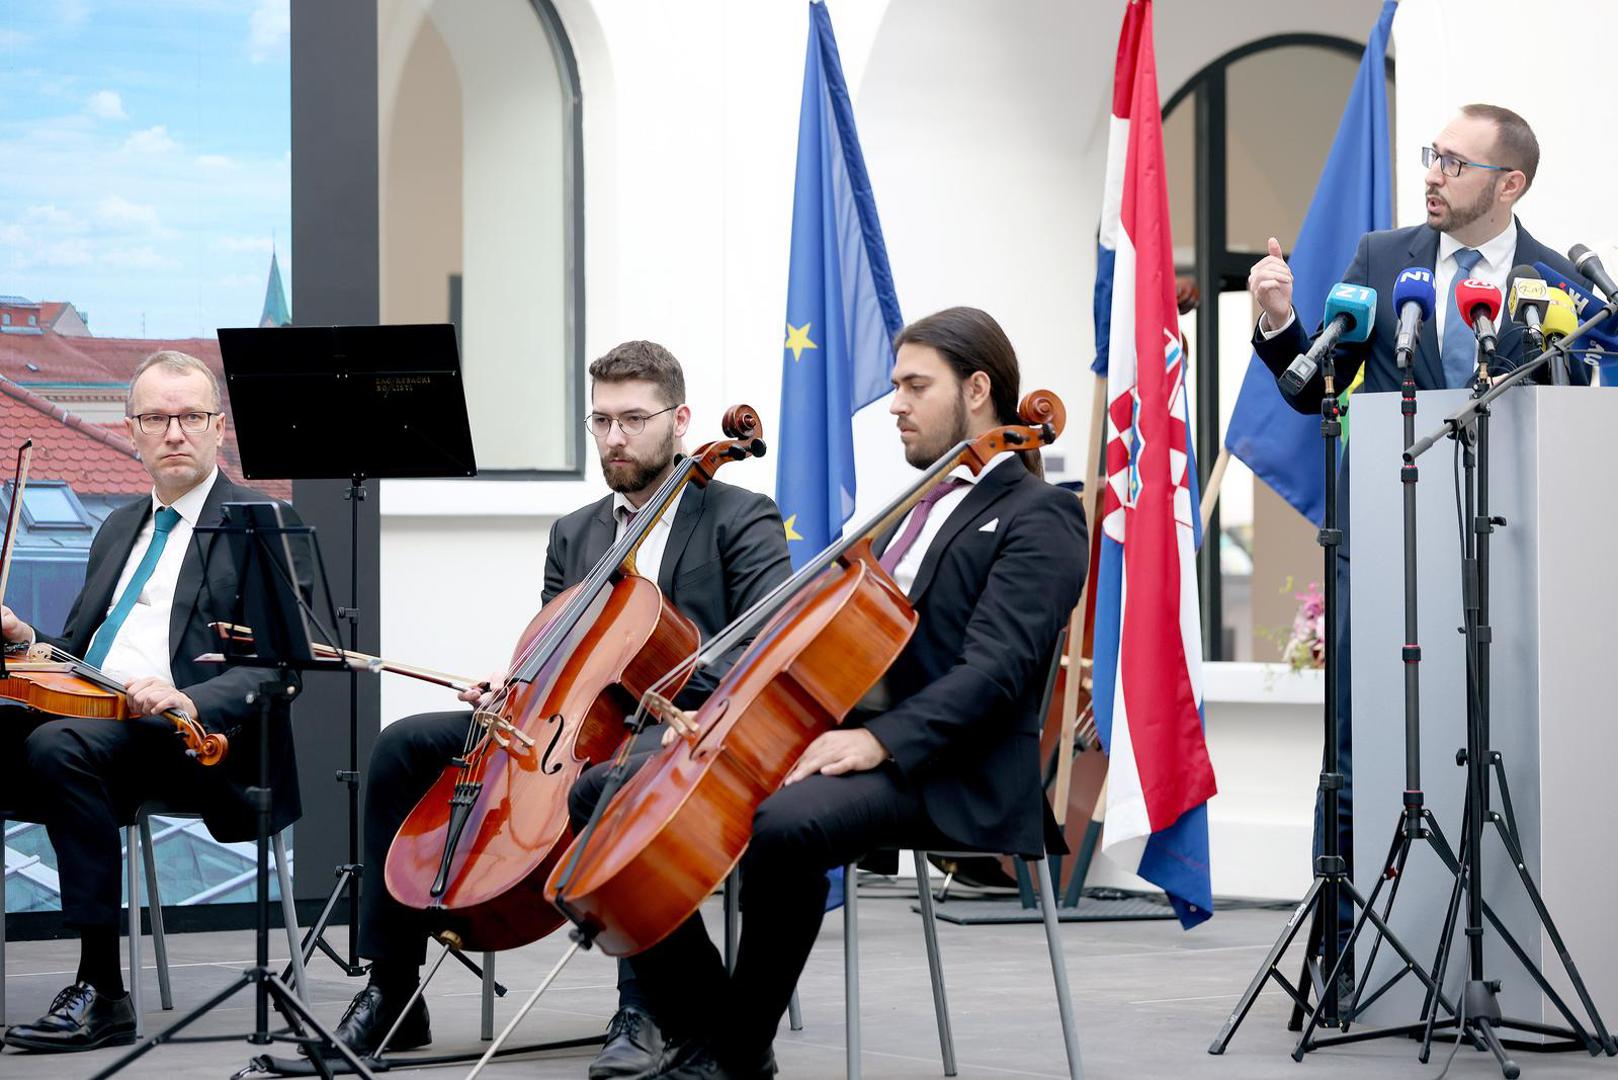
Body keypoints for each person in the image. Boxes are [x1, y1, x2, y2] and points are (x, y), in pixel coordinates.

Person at [566, 306, 1089, 1080]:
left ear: (978, 390)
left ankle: (731, 1053)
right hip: (848, 740)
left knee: (786, 826)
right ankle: (720, 1036)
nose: (897, 406)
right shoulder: (917, 506)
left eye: (915, 386)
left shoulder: (1040, 516)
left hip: (949, 765)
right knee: (605, 792)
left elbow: (998, 671)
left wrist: (880, 740)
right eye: (895, 386)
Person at [323, 341, 792, 1078]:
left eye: (634, 419)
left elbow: (764, 648)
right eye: (601, 420)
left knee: (617, 784)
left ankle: (644, 1007)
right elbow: (556, 647)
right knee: (402, 746)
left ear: (681, 420)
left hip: (686, 737)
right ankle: (392, 990)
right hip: (572, 729)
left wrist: (668, 691)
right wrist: (511, 686)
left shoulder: (740, 515)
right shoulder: (575, 533)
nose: (614, 438)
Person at [1246, 103, 1594, 982]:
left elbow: (1565, 419)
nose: (1432, 174)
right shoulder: (1381, 261)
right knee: (1360, 744)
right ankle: (1343, 949)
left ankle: (1491, 948)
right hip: (1386, 535)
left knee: (1491, 736)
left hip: (1496, 550)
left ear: (1508, 184)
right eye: (1431, 156)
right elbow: (1315, 388)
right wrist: (1280, 322)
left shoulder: (1554, 283)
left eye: (1454, 162)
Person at [1, 351, 303, 1053]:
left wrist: (188, 696)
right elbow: (77, 656)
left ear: (219, 428)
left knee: (58, 747)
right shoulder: (117, 526)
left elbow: (279, 670)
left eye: (190, 416)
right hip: (96, 718)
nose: (174, 432)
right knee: (47, 737)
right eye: (156, 419)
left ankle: (102, 990)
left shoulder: (262, 523)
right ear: (132, 430)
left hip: (197, 741)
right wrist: (24, 637)